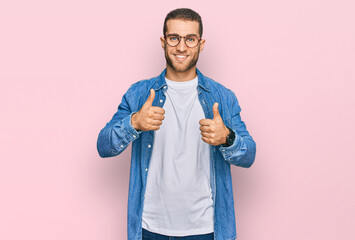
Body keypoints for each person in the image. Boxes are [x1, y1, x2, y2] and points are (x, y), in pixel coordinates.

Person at [97, 8, 256, 240]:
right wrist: (134, 124)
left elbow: (249, 155)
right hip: (149, 228)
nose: (182, 48)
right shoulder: (140, 93)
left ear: (201, 44)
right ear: (163, 42)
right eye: (174, 38)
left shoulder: (222, 97)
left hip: (205, 230)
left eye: (190, 39)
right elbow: (104, 146)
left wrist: (227, 138)